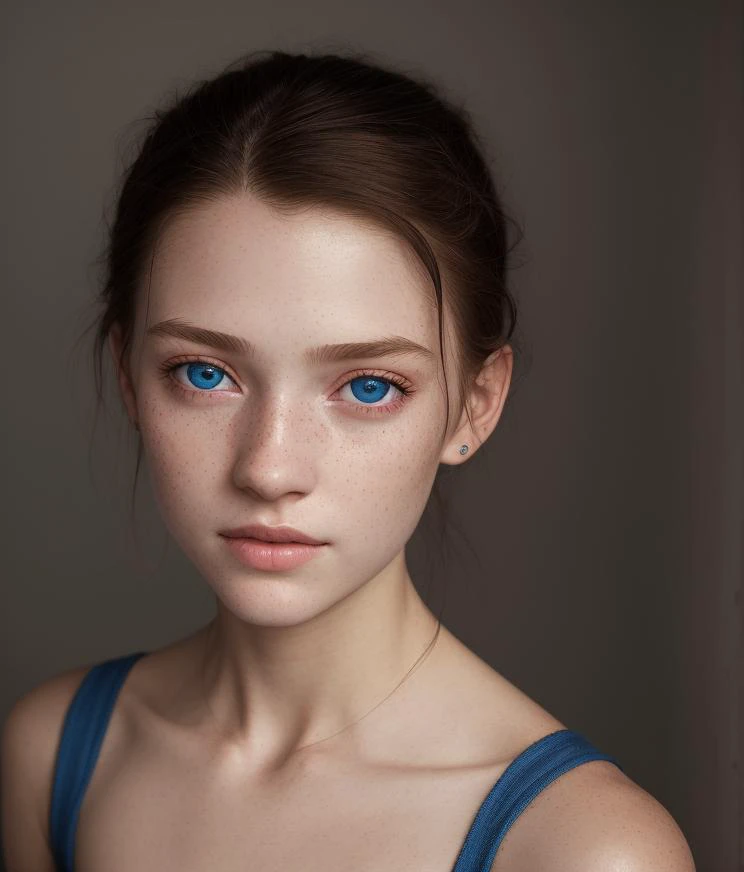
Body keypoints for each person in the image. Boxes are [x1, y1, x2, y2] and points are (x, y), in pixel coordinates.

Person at [1, 49, 695, 871]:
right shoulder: (52, 760)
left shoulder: (584, 849)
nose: (269, 467)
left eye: (367, 387)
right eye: (205, 374)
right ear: (128, 377)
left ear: (474, 404)